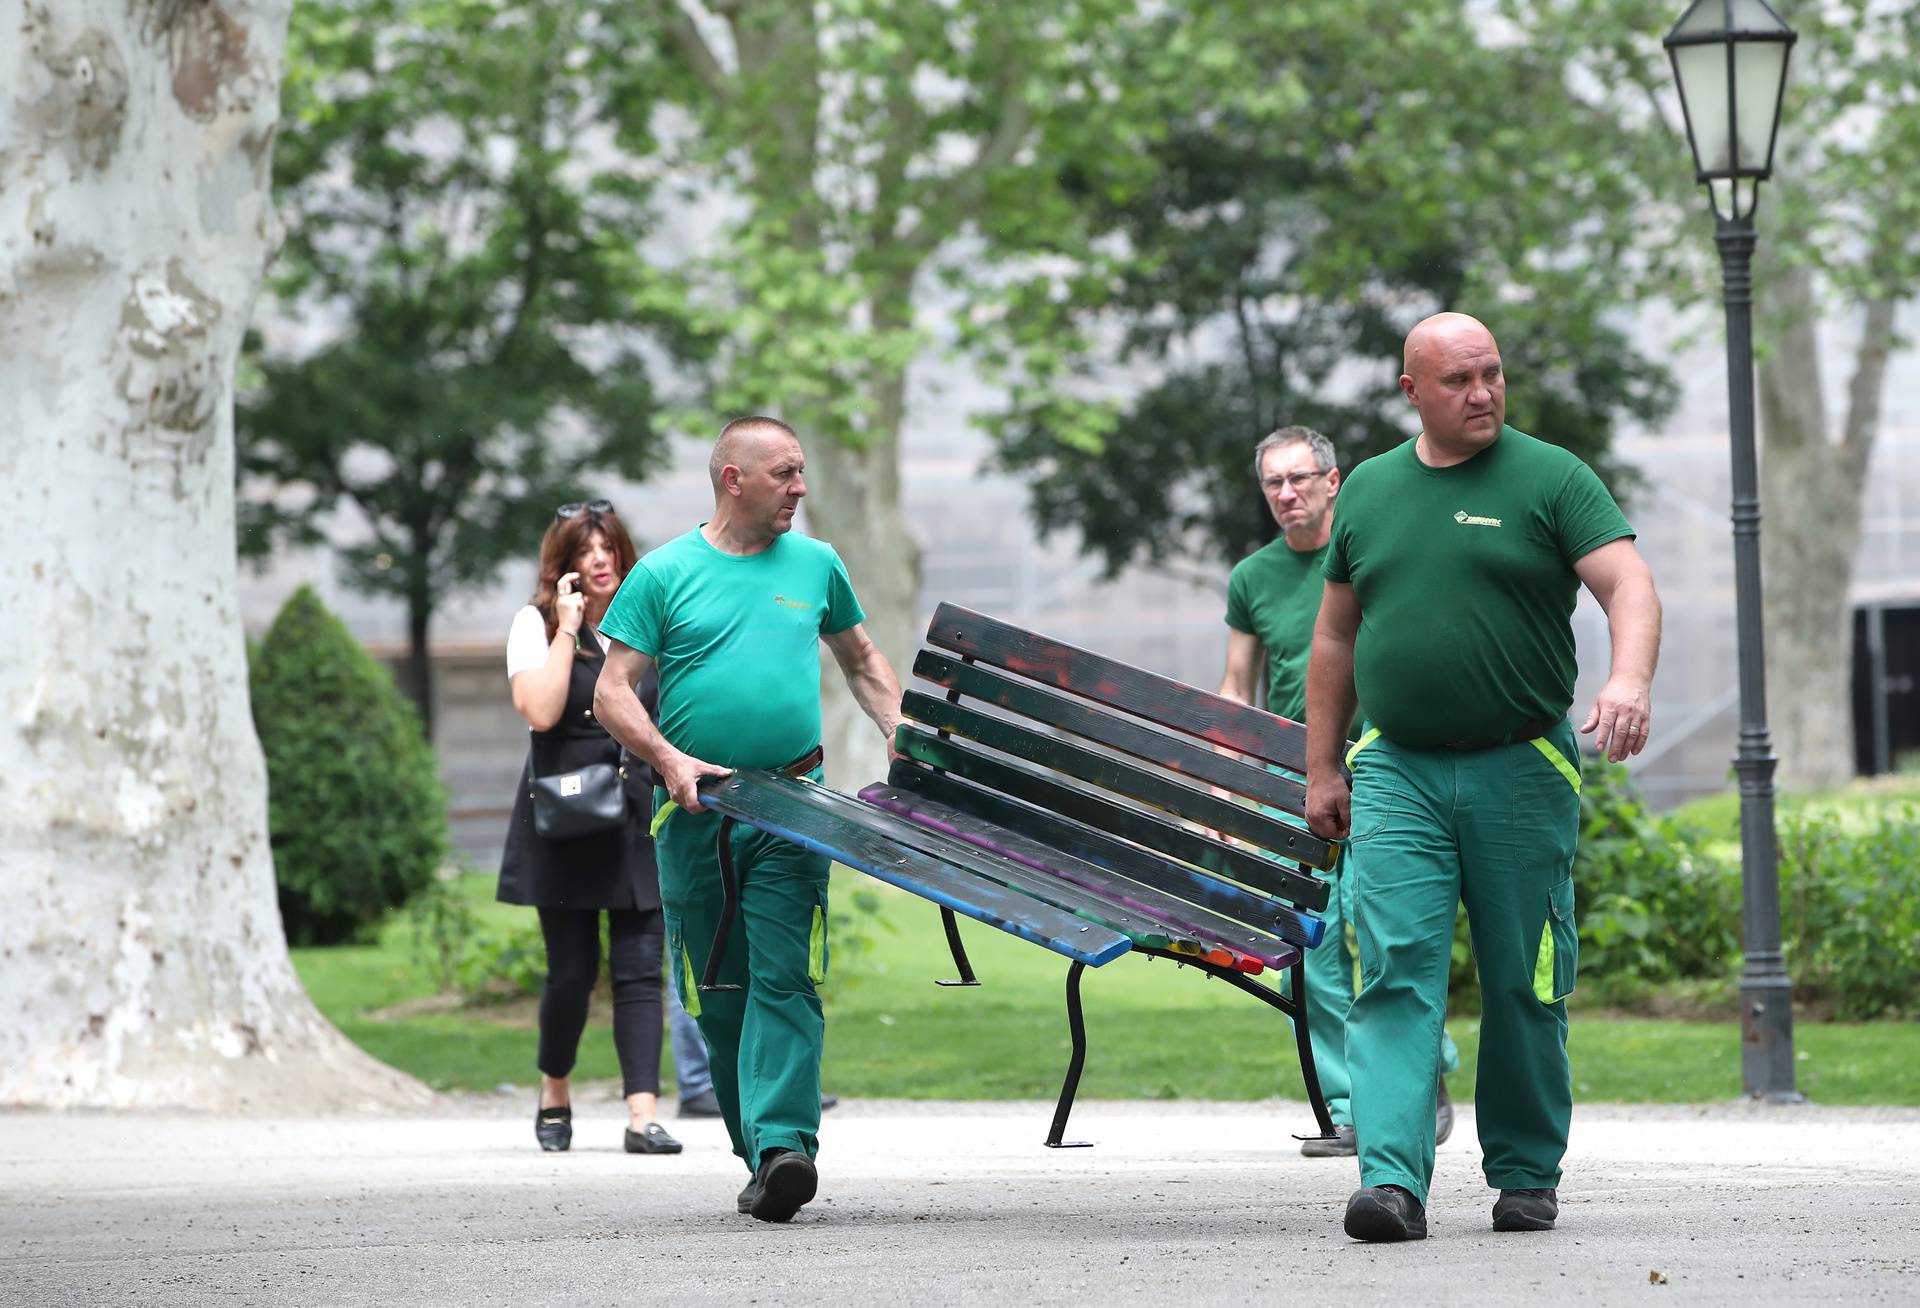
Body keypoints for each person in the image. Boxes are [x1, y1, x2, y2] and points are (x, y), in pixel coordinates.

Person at [1304, 313, 1660, 1242]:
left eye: (1492, 374)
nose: (1482, 393)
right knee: (1393, 974)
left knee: (1523, 980)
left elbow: (1628, 584)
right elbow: (1335, 633)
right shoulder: (1373, 491)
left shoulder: (1551, 477)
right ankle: (1391, 1182)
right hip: (1398, 773)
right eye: (1459, 380)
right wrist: (1320, 765)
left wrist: (1627, 678)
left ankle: (1527, 1172)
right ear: (1411, 391)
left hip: (1521, 765)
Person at [593, 416, 903, 1224]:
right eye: (786, 474)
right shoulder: (663, 574)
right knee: (719, 989)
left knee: (785, 975)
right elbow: (612, 690)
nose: (801, 489)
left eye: (801, 474)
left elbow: (864, 662)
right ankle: (759, 1150)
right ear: (734, 479)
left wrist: (906, 744)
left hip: (794, 806)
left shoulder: (817, 565)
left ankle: (785, 1146)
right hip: (698, 810)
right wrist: (669, 761)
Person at [1218, 426, 1458, 1160]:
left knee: (1380, 924)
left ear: (1333, 481)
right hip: (1291, 775)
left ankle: (1422, 1076)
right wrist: (1227, 788)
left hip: (1381, 764)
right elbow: (1237, 684)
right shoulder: (1252, 578)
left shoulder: (1366, 550)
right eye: (1273, 484)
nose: (1287, 494)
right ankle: (1351, 1104)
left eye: (1299, 478)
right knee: (1310, 946)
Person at [498, 501, 681, 1157]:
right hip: (565, 821)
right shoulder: (536, 624)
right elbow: (541, 712)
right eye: (585, 550)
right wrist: (567, 630)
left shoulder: (648, 624)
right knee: (570, 974)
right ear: (565, 566)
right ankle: (554, 1091)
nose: (600, 560)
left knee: (640, 972)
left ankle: (642, 1116)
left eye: (608, 548)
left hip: (636, 821)